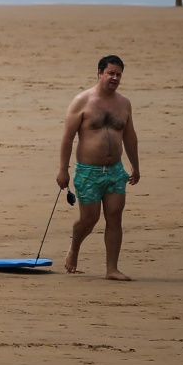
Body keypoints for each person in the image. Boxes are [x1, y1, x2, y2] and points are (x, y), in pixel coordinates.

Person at [56, 55, 140, 280]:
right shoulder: (82, 101)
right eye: (110, 73)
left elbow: (130, 137)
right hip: (88, 171)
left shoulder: (124, 104)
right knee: (89, 218)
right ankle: (74, 247)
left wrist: (135, 165)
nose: (114, 78)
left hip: (115, 170)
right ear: (100, 73)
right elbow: (67, 138)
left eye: (118, 74)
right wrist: (63, 170)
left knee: (115, 216)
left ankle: (111, 268)